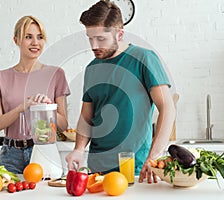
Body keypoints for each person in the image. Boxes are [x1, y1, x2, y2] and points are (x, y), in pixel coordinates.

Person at [65, 0, 176, 184]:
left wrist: (154, 157)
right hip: (97, 171)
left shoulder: (143, 58)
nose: (94, 45)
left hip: (137, 169)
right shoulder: (92, 68)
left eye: (101, 39)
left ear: (120, 34)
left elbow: (168, 108)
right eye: (90, 38)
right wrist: (79, 149)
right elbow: (86, 116)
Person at [0, 16, 70, 174]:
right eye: (28, 37)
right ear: (16, 40)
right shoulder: (0, 78)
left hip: (43, 151)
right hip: (11, 155)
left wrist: (47, 108)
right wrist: (21, 108)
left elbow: (64, 125)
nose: (35, 43)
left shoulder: (56, 75)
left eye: (40, 37)